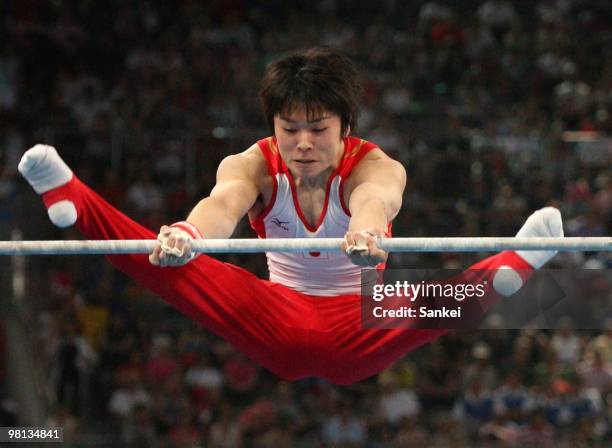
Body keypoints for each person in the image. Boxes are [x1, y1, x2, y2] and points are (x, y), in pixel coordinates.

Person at [19, 47, 563, 384]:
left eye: (318, 128)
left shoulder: (375, 166)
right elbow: (223, 205)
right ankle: (75, 201)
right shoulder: (251, 163)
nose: (302, 144)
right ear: (273, 125)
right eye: (289, 128)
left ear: (345, 127)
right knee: (167, 262)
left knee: (423, 298)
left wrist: (366, 230)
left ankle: (512, 266)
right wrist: (188, 233)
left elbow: (376, 201)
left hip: (359, 321)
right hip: (275, 316)